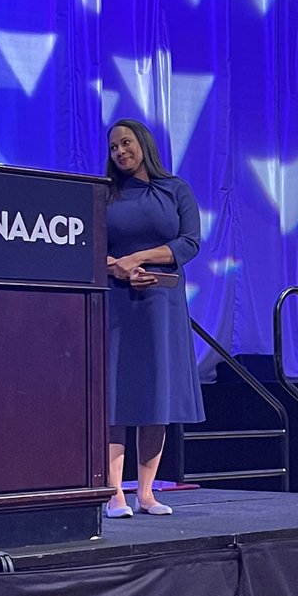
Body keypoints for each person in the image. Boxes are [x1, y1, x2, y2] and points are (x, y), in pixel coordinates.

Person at [103, 119, 204, 517]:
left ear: (143, 143)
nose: (120, 152)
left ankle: (146, 493)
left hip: (162, 303)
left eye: (126, 143)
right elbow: (91, 243)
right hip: (117, 299)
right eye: (113, 147)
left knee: (156, 396)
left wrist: (139, 258)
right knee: (117, 396)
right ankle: (115, 494)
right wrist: (118, 267)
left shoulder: (175, 189)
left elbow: (189, 242)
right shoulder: (105, 195)